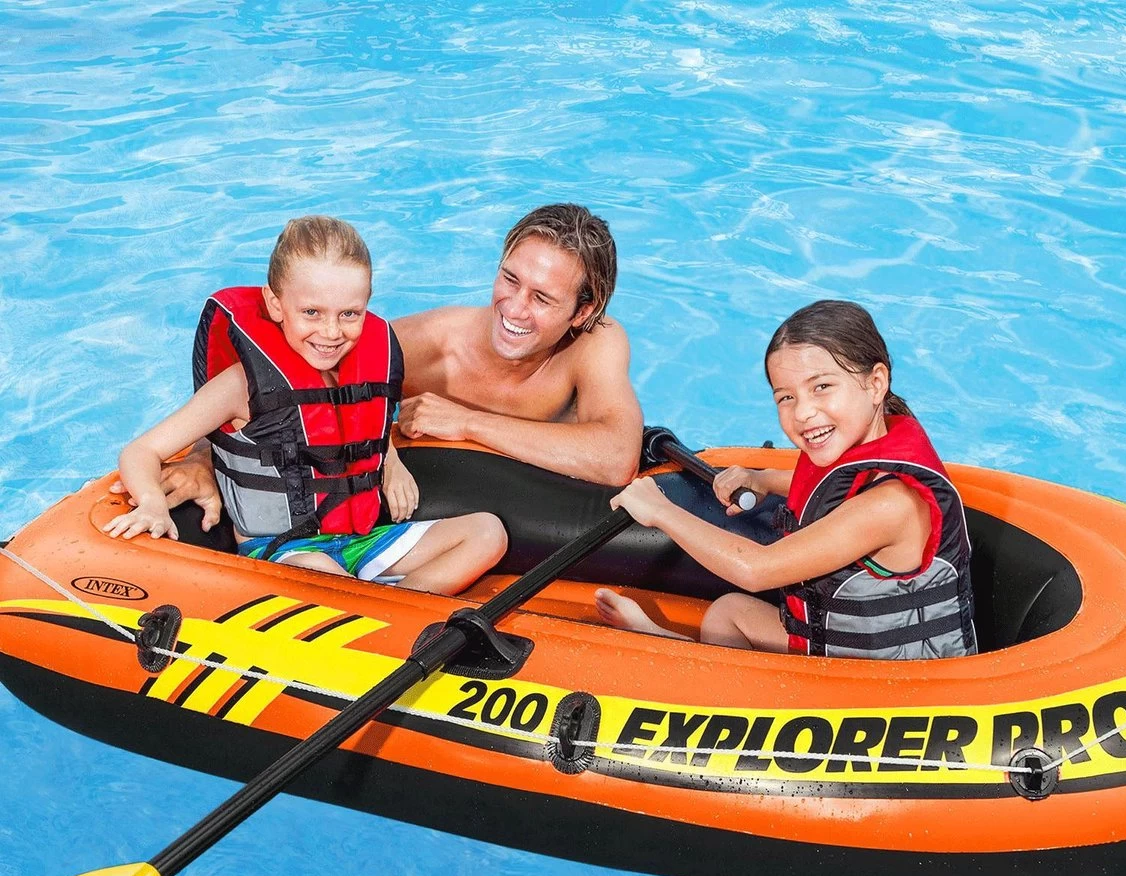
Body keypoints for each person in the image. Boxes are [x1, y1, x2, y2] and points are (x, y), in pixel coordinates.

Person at [124, 203, 644, 528]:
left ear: (583, 312)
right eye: (509, 279)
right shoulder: (421, 347)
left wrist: (466, 422)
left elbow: (616, 458)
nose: (514, 308)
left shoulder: (595, 345)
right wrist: (205, 459)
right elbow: (279, 388)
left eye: (542, 298)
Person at [104, 216, 506, 595]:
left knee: (488, 532)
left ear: (367, 304)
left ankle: (402, 603)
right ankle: (375, 606)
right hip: (284, 551)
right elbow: (141, 450)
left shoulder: (364, 368)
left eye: (349, 314)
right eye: (311, 312)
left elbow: (363, 429)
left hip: (359, 541)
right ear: (275, 304)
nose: (331, 332)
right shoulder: (240, 385)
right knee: (324, 571)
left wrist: (391, 461)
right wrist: (153, 505)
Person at [595, 300, 977, 659]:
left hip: (890, 686)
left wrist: (660, 510)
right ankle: (686, 652)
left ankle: (666, 643)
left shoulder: (892, 504)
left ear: (876, 383)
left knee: (737, 606)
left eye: (821, 387)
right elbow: (826, 487)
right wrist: (762, 480)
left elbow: (756, 569)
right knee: (729, 614)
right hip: (842, 650)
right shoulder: (865, 453)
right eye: (786, 397)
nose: (804, 412)